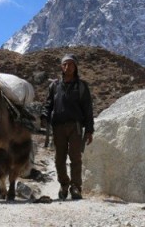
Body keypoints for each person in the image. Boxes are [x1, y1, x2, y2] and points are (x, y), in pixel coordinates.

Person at [42, 53, 94, 200]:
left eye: (70, 64)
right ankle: (64, 184)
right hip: (58, 127)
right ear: (61, 67)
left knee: (75, 157)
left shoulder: (82, 86)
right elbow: (48, 104)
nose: (67, 67)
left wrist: (89, 130)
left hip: (75, 127)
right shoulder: (54, 86)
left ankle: (76, 187)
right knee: (59, 158)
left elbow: (88, 109)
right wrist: (44, 116)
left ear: (75, 66)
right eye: (65, 64)